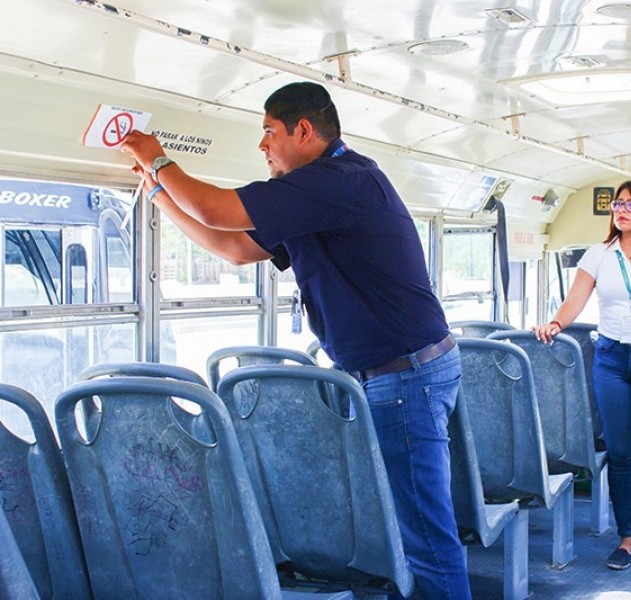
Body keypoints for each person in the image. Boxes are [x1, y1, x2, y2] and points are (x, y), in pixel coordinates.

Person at [121, 82, 471, 599]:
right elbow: (233, 247)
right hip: (392, 373)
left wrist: (160, 158)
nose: (262, 146)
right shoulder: (317, 196)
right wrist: (155, 189)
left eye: (268, 132)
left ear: (303, 131)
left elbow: (218, 210)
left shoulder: (340, 181)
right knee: (402, 528)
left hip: (405, 377)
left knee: (424, 534)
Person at [533, 178, 631, 581]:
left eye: (629, 205)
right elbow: (575, 301)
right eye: (617, 204)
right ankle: (626, 539)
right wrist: (555, 322)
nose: (620, 210)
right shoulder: (598, 254)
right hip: (611, 359)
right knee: (619, 454)